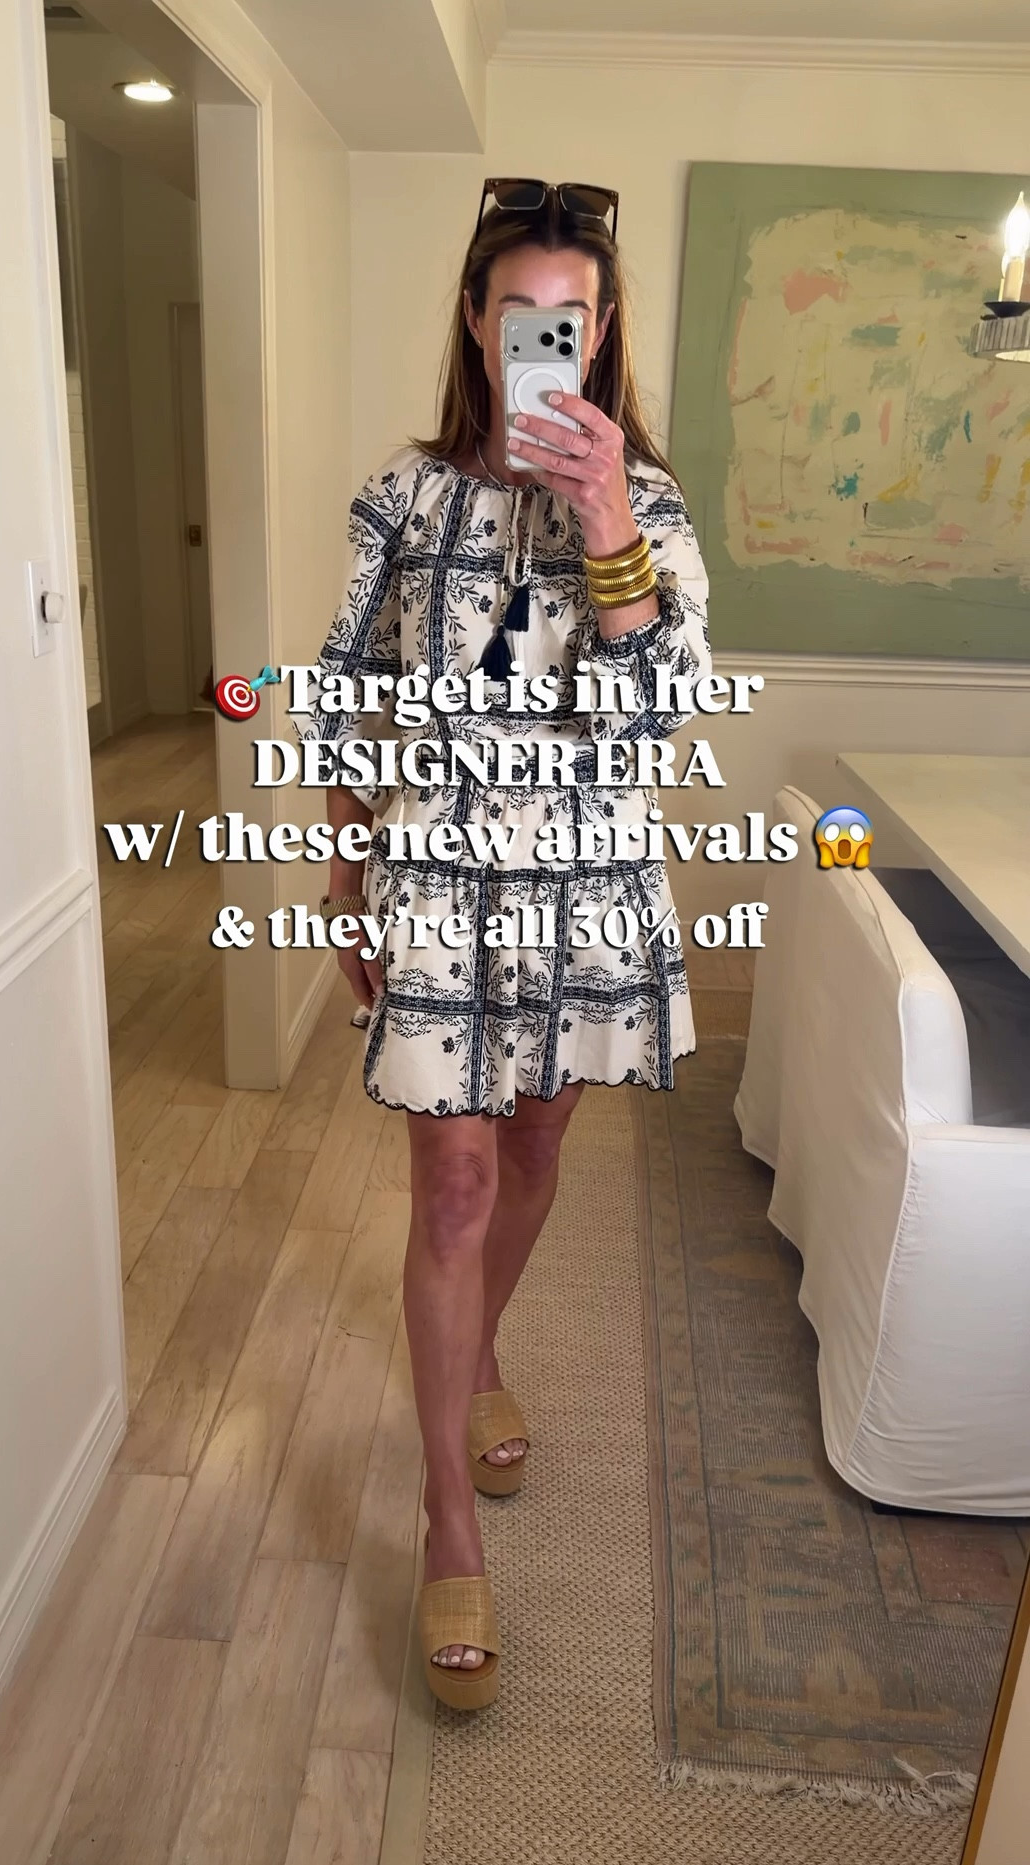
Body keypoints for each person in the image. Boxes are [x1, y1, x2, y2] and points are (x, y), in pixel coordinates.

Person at [301, 179, 710, 1710]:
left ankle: (478, 1360)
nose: (546, 335)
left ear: (600, 338)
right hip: (440, 872)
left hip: (590, 879)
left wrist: (608, 528)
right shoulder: (402, 501)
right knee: (457, 1181)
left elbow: (656, 723)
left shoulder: (650, 509)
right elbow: (345, 686)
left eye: (572, 317)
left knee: (535, 1154)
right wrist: (346, 862)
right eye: (519, 309)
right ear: (477, 324)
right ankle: (446, 1519)